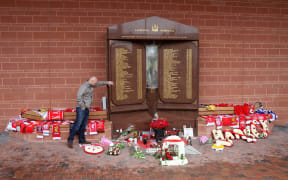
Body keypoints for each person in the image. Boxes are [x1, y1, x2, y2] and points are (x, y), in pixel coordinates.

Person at [67, 76, 113, 148]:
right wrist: (82, 106)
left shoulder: (91, 85)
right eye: (95, 82)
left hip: (87, 108)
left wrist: (107, 82)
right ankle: (70, 140)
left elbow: (99, 83)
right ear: (91, 81)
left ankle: (82, 140)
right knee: (77, 125)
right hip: (81, 109)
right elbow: (79, 96)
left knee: (83, 125)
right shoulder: (84, 86)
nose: (96, 84)